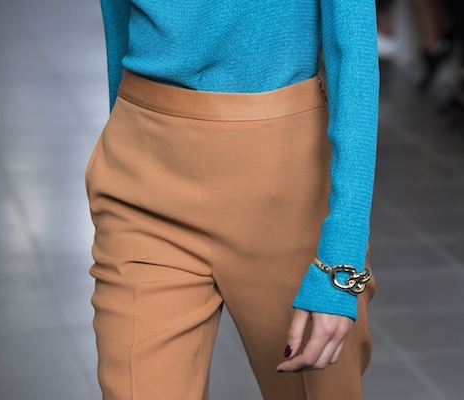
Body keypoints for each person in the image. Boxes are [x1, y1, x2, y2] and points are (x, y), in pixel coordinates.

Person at [86, 0, 378, 399]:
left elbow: (353, 50)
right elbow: (119, 18)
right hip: (143, 178)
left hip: (287, 189)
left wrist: (341, 258)